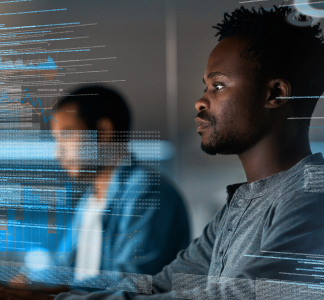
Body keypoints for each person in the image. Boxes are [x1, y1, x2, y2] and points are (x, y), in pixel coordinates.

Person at [0, 6, 324, 300]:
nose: (201, 100)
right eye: (205, 86)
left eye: (218, 85)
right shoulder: (241, 207)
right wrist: (49, 289)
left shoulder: (313, 203)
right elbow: (163, 286)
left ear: (275, 95)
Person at [9, 85, 191, 291]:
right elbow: (64, 263)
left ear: (103, 132)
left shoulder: (147, 191)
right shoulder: (90, 199)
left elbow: (135, 279)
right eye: (56, 139)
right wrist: (31, 281)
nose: (58, 152)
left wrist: (58, 290)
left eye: (66, 135)